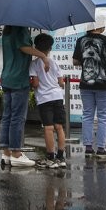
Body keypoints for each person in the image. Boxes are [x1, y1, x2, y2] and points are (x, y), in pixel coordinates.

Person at [0, 25, 49, 168]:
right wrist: (43, 55)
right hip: (19, 79)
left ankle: (6, 152)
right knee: (17, 117)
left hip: (7, 77)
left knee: (7, 116)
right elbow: (23, 47)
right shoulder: (20, 29)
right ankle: (16, 153)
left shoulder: (7, 30)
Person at [72, 26, 106, 157]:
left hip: (85, 83)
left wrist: (86, 60)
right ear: (101, 27)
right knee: (103, 117)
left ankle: (88, 148)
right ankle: (101, 148)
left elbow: (75, 61)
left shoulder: (80, 40)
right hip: (103, 83)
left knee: (87, 115)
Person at [29, 33, 66, 168]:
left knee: (48, 128)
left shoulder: (34, 64)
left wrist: (32, 86)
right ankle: (61, 158)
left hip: (44, 99)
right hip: (57, 97)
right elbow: (61, 82)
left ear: (35, 48)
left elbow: (36, 83)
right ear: (50, 48)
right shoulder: (54, 63)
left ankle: (50, 158)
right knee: (59, 127)